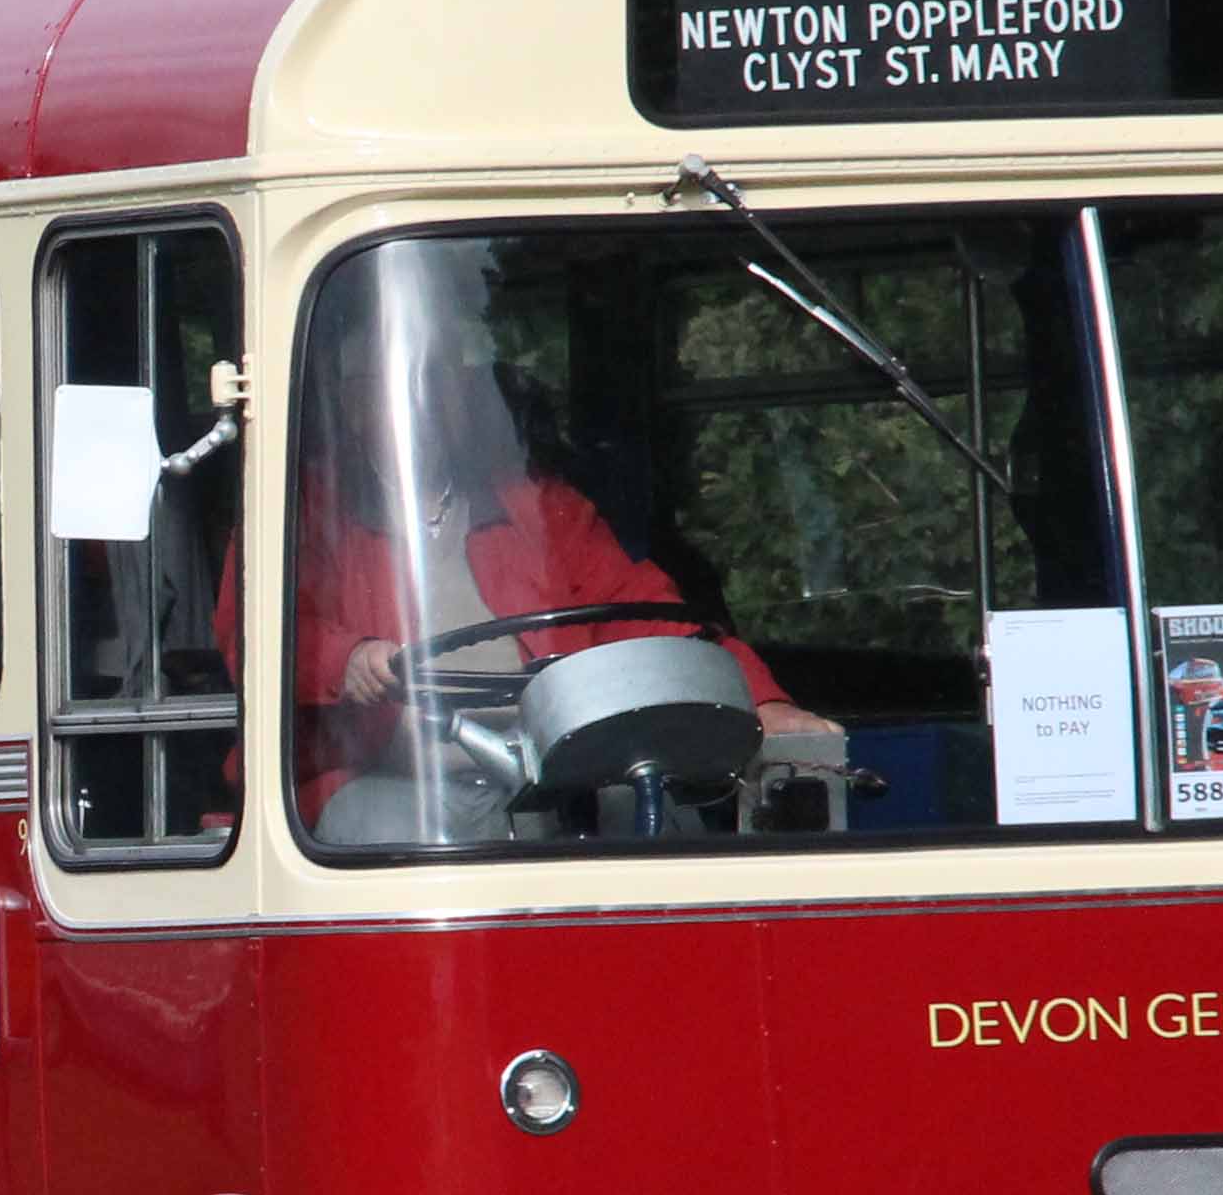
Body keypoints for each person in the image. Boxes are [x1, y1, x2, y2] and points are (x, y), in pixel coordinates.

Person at [226, 295, 816, 828]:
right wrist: (347, 658)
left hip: (558, 766)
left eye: (442, 381)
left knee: (662, 826)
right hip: (382, 777)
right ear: (352, 405)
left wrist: (762, 699)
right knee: (388, 842)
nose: (426, 400)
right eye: (399, 382)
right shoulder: (299, 511)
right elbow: (252, 633)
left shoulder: (539, 507)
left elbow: (648, 614)